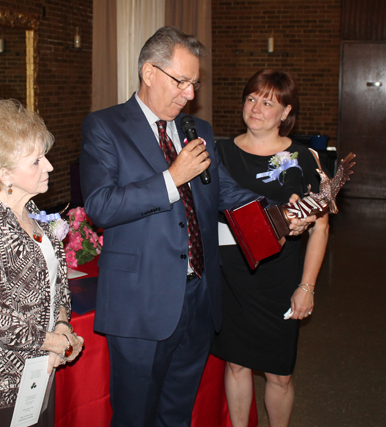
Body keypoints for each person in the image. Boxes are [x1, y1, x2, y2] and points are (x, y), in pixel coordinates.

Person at [80, 27, 311, 427]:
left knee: (177, 413)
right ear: (150, 73)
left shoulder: (197, 131)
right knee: (135, 415)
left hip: (198, 300)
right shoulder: (105, 127)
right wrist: (171, 179)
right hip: (142, 305)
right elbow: (101, 206)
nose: (190, 94)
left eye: (194, 83)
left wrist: (281, 211)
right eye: (181, 82)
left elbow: (227, 193)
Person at [0, 100, 84, 427]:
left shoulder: (32, 211)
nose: (50, 167)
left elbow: (58, 283)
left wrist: (63, 326)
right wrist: (59, 343)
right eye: (37, 160)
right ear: (4, 173)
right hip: (0, 378)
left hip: (40, 367)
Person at [210, 70, 330, 427]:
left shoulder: (304, 158)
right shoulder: (219, 152)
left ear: (285, 112)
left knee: (280, 374)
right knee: (236, 363)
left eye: (268, 102)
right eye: (251, 98)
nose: (256, 108)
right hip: (230, 273)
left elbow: (321, 228)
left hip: (280, 276)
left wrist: (306, 286)